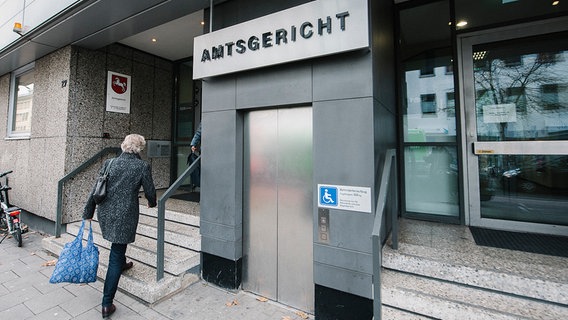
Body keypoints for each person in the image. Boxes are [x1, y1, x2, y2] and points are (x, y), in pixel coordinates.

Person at [83, 134, 157, 318]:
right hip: (125, 215)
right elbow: (150, 190)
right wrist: (152, 202)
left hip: (105, 212)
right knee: (115, 255)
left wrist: (88, 212)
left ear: (123, 146)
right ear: (140, 149)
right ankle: (107, 303)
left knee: (118, 246)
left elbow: (96, 188)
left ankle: (123, 263)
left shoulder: (110, 163)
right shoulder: (142, 166)